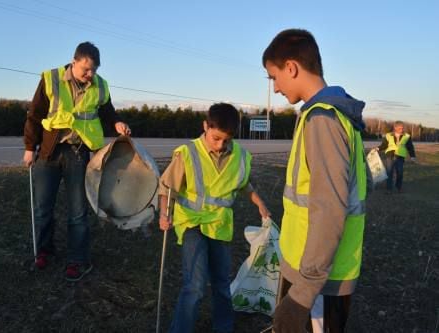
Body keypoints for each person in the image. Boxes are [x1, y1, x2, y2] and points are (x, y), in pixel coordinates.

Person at [262, 29, 367, 332]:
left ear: (291, 67)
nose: (276, 87)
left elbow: (329, 209)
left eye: (274, 77)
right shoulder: (331, 115)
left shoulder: (323, 119)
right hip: (313, 273)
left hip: (317, 282)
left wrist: (302, 295)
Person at [158, 103, 271, 333]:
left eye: (226, 141)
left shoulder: (238, 155)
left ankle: (224, 327)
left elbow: (243, 184)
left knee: (221, 283)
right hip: (192, 222)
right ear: (205, 126)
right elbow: (167, 187)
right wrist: (164, 213)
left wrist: (259, 202)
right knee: (196, 285)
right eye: (216, 138)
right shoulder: (188, 153)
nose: (220, 145)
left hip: (220, 224)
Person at [23, 41, 131, 282]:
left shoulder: (100, 85)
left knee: (78, 211)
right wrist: (30, 147)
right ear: (74, 62)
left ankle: (77, 259)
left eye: (94, 70)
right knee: (42, 208)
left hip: (78, 152)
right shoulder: (51, 79)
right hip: (48, 152)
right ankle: (43, 251)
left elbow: (108, 110)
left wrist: (117, 123)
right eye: (86, 69)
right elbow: (35, 113)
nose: (90, 75)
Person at [377, 120, 416, 193]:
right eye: (400, 128)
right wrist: (378, 148)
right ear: (395, 127)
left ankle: (399, 187)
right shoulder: (388, 135)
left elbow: (410, 147)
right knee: (389, 173)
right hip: (390, 156)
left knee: (400, 173)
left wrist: (412, 156)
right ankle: (389, 189)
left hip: (400, 157)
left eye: (402, 128)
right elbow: (384, 145)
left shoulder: (407, 136)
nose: (401, 130)